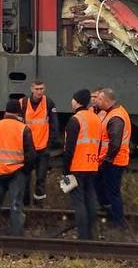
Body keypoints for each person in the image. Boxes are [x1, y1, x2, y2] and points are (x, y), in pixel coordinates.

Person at [0, 98, 37, 235]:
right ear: (19, 112)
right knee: (15, 205)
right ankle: (16, 236)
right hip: (16, 172)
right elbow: (31, 155)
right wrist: (25, 170)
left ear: (6, 111)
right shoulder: (23, 128)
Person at [60, 88, 101, 240]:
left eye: (73, 99)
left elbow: (69, 148)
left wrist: (65, 171)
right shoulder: (96, 119)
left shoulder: (75, 119)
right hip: (92, 165)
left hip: (77, 167)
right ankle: (91, 234)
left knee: (79, 203)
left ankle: (83, 237)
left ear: (77, 101)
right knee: (90, 200)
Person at [94, 87, 131, 229]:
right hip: (113, 159)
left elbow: (114, 143)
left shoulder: (115, 117)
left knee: (113, 192)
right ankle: (111, 213)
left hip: (114, 161)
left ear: (108, 101)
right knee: (105, 188)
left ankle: (119, 222)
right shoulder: (114, 113)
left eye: (101, 99)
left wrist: (107, 161)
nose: (98, 101)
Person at [20, 80, 58, 203]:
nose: (39, 91)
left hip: (42, 148)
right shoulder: (23, 103)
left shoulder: (48, 102)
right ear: (31, 89)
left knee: (40, 179)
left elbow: (54, 124)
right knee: (25, 178)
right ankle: (25, 204)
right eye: (37, 89)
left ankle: (38, 204)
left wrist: (49, 144)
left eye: (41, 89)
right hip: (27, 148)